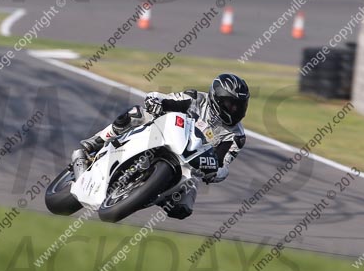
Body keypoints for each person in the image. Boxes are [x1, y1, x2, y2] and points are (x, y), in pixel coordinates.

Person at [73, 73, 249, 219]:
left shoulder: (236, 136)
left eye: (240, 106)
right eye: (230, 104)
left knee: (182, 209)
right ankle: (96, 141)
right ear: (216, 99)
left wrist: (216, 173)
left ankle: (150, 193)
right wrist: (155, 101)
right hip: (165, 133)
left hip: (190, 162)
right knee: (136, 114)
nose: (235, 110)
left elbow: (222, 163)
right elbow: (166, 99)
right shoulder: (195, 98)